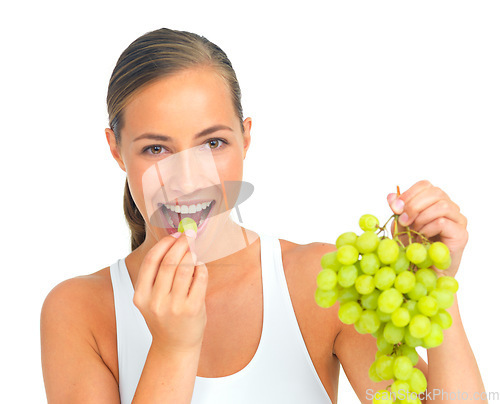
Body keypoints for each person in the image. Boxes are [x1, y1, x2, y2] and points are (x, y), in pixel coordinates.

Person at [40, 27, 485, 403]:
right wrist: (173, 349)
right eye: (156, 149)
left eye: (213, 143)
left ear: (245, 138)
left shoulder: (316, 281)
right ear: (116, 150)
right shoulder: (78, 311)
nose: (189, 180)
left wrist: (435, 284)